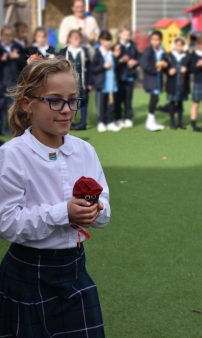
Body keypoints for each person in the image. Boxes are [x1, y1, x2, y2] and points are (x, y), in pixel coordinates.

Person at [0, 57, 110, 337]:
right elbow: (8, 224)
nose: (67, 110)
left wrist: (95, 209)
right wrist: (64, 212)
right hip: (26, 274)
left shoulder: (85, 151)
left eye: (73, 100)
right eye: (55, 101)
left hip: (74, 270)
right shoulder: (13, 155)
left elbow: (104, 211)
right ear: (28, 103)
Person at [60, 29, 91, 130]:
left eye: (79, 38)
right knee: (69, 103)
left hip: (82, 82)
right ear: (70, 39)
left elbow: (88, 67)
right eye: (75, 38)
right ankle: (70, 122)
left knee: (83, 102)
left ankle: (83, 123)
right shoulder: (65, 52)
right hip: (69, 82)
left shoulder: (84, 51)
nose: (77, 40)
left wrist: (89, 82)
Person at [92, 30, 121, 133]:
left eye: (109, 40)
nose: (107, 42)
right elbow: (93, 68)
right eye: (105, 40)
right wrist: (103, 66)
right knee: (101, 104)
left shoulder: (112, 53)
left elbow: (116, 67)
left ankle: (110, 122)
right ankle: (101, 122)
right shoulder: (98, 53)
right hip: (102, 84)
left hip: (112, 84)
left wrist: (117, 58)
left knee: (111, 104)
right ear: (100, 41)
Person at [0, 25, 26, 135]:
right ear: (1, 36)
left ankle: (14, 129)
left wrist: (17, 58)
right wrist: (2, 60)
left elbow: (24, 63)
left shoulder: (18, 47)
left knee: (14, 107)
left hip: (14, 82)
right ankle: (2, 129)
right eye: (5, 35)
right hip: (1, 82)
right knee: (1, 106)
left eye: (9, 35)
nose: (7, 37)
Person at [140, 30, 167, 131]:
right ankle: (149, 121)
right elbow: (144, 64)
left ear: (161, 40)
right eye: (153, 40)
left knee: (156, 98)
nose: (155, 42)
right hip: (151, 79)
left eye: (157, 40)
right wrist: (156, 67)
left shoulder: (162, 50)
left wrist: (164, 64)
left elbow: (166, 61)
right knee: (154, 98)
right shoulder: (148, 50)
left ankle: (152, 120)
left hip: (159, 79)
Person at [114, 24, 139, 129]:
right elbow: (112, 60)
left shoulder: (133, 45)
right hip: (119, 76)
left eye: (128, 34)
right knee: (118, 99)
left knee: (128, 99)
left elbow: (138, 57)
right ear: (120, 34)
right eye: (124, 34)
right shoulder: (116, 46)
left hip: (130, 76)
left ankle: (128, 118)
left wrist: (135, 62)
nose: (126, 36)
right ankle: (118, 118)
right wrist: (120, 60)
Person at [164, 36, 189, 129]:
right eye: (177, 45)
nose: (179, 47)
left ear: (184, 46)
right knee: (172, 102)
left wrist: (187, 69)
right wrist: (168, 71)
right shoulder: (169, 55)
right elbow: (164, 68)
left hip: (182, 83)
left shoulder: (187, 56)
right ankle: (172, 121)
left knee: (180, 102)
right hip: (172, 83)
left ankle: (180, 121)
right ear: (174, 45)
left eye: (181, 46)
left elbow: (190, 68)